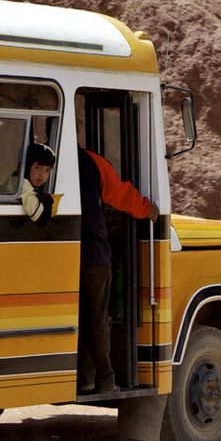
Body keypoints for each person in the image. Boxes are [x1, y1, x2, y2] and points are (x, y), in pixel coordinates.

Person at [76, 140, 153, 394]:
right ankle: (106, 378)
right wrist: (148, 209)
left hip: (63, 255)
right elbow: (120, 195)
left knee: (80, 316)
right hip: (94, 254)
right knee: (97, 317)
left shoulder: (47, 165)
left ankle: (85, 377)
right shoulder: (92, 162)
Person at [18, 143, 56, 226]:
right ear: (27, 166)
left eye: (47, 170)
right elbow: (41, 218)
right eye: (38, 167)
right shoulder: (21, 184)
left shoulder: (30, 184)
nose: (42, 175)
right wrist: (48, 200)